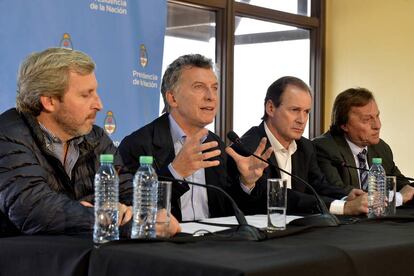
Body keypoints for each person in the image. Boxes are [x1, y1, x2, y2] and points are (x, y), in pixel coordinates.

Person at [0, 47, 180, 236]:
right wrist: (109, 217)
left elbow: (129, 194)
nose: (99, 105)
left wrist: (154, 217)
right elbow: (36, 212)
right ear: (49, 101)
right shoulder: (7, 136)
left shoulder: (96, 137)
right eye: (86, 95)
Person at [119, 54, 272, 221]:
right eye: (199, 87)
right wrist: (175, 172)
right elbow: (130, 209)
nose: (211, 96)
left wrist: (246, 183)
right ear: (173, 98)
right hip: (167, 243)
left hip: (213, 241)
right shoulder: (137, 145)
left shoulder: (216, 145)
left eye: (214, 88)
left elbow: (228, 211)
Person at [229, 76, 368, 216]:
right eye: (294, 110)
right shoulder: (249, 148)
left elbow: (318, 185)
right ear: (270, 108)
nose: (302, 120)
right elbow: (276, 196)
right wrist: (342, 207)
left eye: (306, 111)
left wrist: (347, 196)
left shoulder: (305, 146)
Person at [313, 87, 414, 206]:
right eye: (367, 119)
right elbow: (345, 195)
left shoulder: (381, 148)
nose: (378, 125)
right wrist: (398, 198)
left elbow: (401, 184)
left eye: (377, 116)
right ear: (344, 125)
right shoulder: (324, 148)